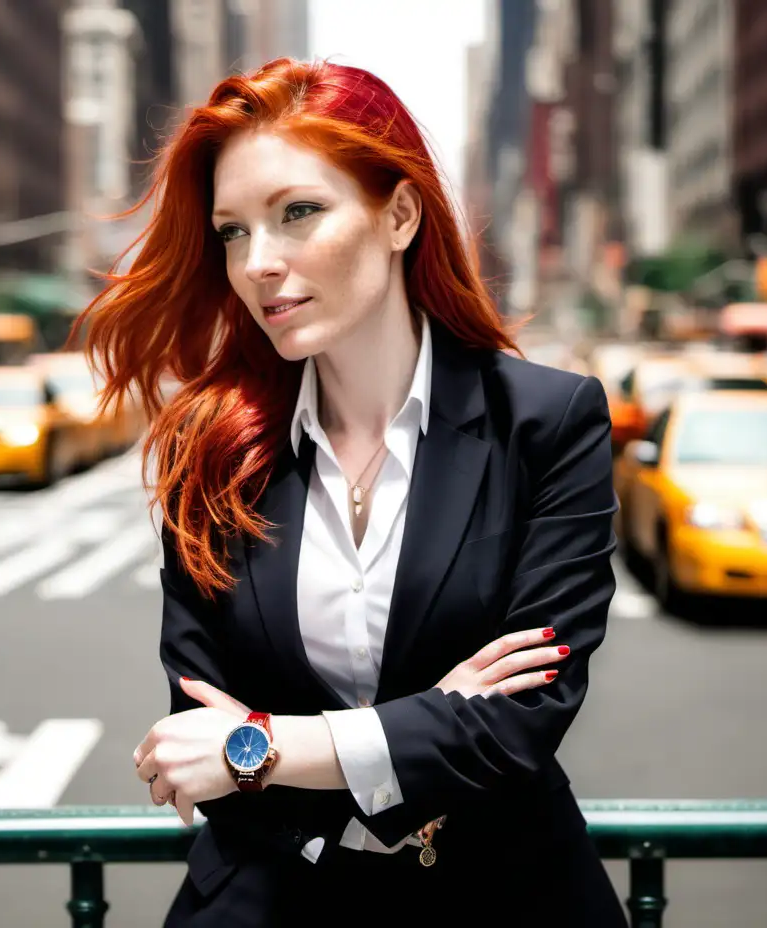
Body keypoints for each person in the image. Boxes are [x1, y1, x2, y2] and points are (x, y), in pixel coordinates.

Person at [78, 59, 626, 926]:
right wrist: (433, 724)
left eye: (298, 212)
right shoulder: (210, 447)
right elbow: (196, 740)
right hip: (272, 899)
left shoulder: (546, 425)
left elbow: (519, 727)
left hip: (507, 897)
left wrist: (267, 744)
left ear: (399, 214)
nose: (259, 263)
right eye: (231, 231)